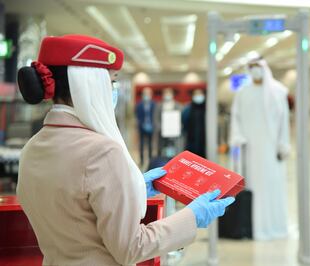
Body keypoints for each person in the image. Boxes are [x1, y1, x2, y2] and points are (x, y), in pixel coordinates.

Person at [16, 34, 234, 266]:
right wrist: (192, 216)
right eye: (111, 82)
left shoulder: (32, 148)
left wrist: (133, 188)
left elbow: (76, 208)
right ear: (92, 85)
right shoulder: (102, 152)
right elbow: (131, 248)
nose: (113, 90)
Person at [230, 57, 291, 240]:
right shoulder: (242, 93)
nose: (255, 70)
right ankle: (253, 228)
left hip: (272, 153)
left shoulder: (278, 92)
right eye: (252, 67)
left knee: (273, 188)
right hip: (250, 153)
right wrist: (238, 140)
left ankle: (274, 226)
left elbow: (284, 123)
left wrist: (283, 145)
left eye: (258, 66)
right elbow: (236, 120)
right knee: (253, 189)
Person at [154, 88, 182, 158]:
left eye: (169, 93)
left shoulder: (178, 105)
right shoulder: (159, 105)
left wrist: (178, 127)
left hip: (174, 134)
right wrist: (160, 128)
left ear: (172, 95)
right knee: (163, 150)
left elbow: (181, 119)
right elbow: (156, 118)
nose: (167, 95)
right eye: (166, 93)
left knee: (174, 150)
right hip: (162, 133)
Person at [182, 89, 207, 158]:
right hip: (191, 139)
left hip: (204, 140)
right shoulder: (188, 108)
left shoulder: (207, 108)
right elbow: (184, 121)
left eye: (200, 94)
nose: (198, 96)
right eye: (196, 94)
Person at [135, 87, 156, 165]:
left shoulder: (154, 104)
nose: (146, 95)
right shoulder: (139, 105)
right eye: (145, 94)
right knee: (142, 145)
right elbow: (137, 116)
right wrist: (141, 124)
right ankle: (142, 161)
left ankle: (150, 161)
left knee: (150, 144)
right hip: (142, 127)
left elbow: (155, 116)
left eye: (148, 93)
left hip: (151, 126)